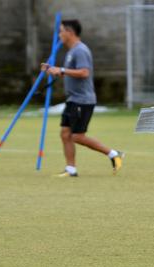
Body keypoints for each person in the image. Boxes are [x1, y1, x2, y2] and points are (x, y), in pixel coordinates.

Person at [41, 19, 124, 177]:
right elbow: (65, 71)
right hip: (73, 99)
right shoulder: (71, 51)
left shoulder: (80, 50)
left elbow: (84, 72)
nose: (59, 35)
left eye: (61, 31)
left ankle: (114, 154)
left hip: (82, 100)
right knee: (65, 134)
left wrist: (62, 70)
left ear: (70, 32)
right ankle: (71, 169)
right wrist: (51, 69)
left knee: (77, 136)